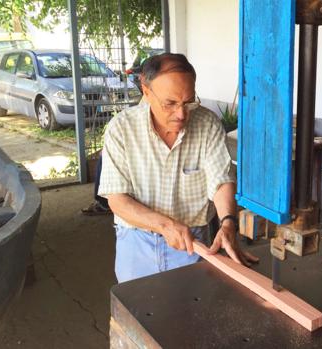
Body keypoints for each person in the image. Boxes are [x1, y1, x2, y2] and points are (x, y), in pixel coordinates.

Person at [98, 53, 257, 283]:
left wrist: (228, 222)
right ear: (146, 92)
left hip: (194, 243)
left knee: (191, 310)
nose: (182, 114)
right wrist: (165, 225)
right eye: (170, 104)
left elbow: (221, 180)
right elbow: (117, 200)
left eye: (188, 102)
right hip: (136, 243)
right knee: (139, 312)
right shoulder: (122, 129)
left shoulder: (207, 124)